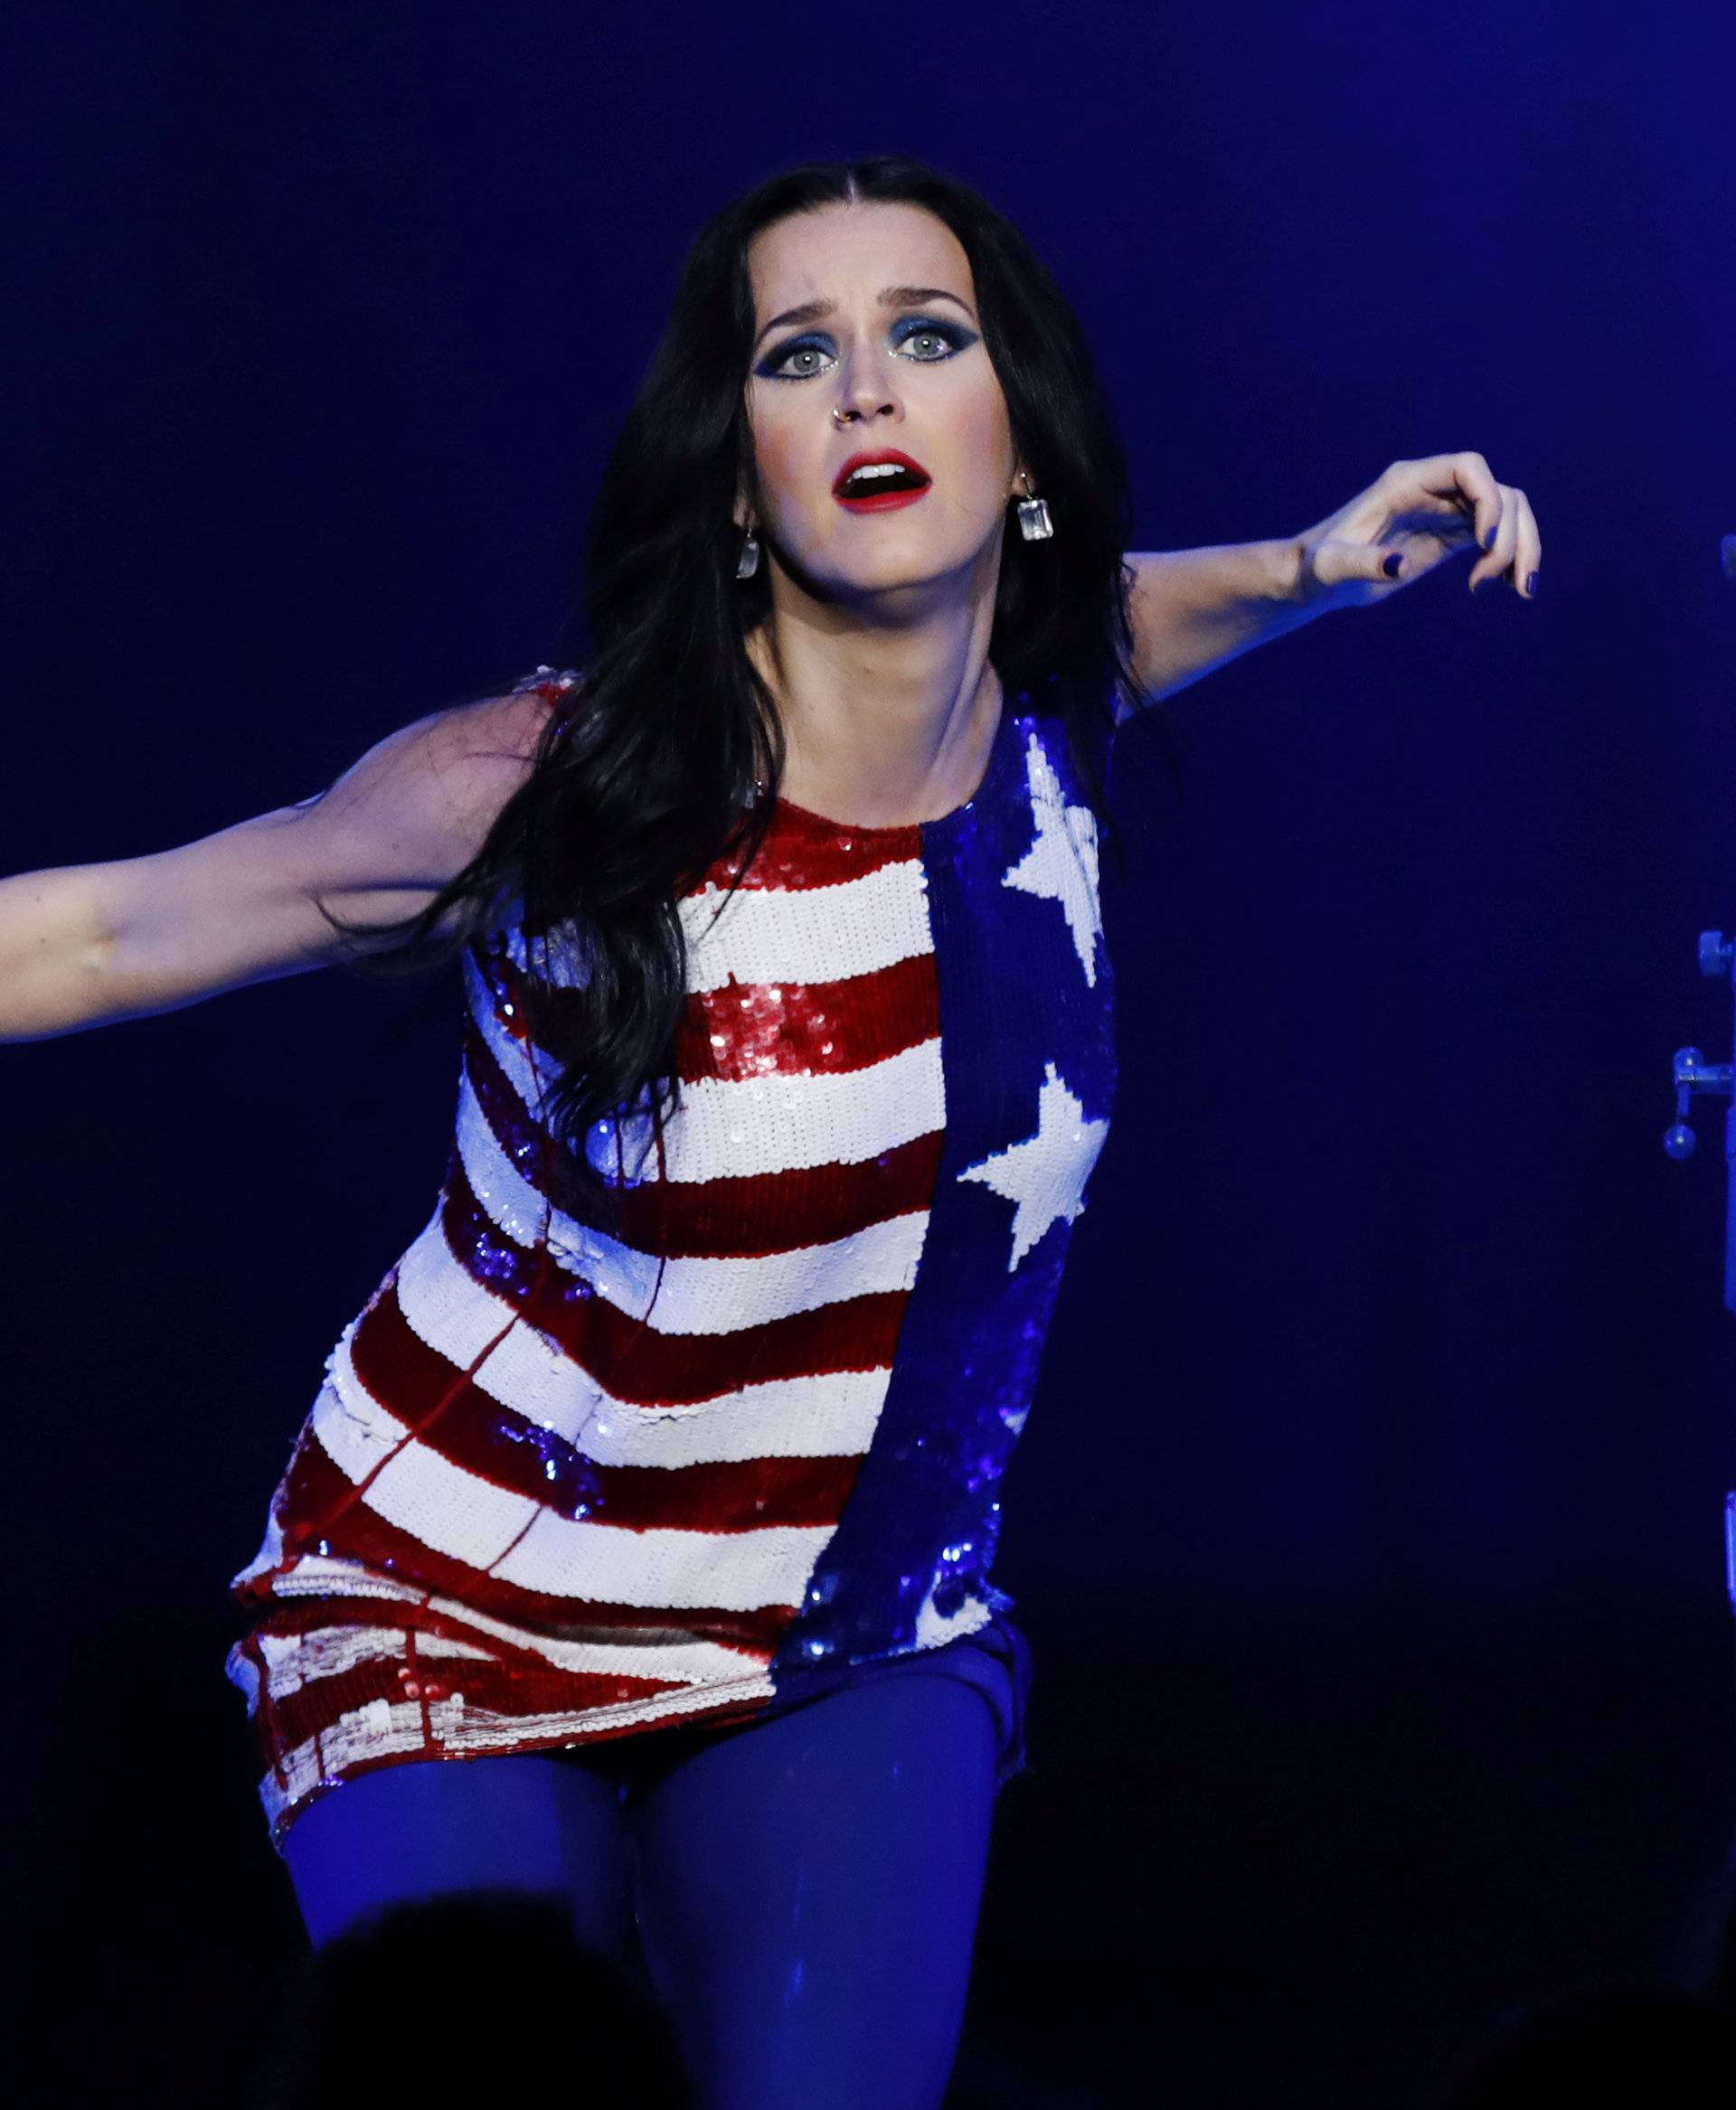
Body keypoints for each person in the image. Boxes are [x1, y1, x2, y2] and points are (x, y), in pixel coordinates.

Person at [0, 153, 1540, 2109]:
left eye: (927, 335)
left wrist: (1313, 569)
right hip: (459, 1609)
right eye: (801, 355)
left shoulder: (1047, 700)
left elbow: (1112, 614)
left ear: (1018, 437)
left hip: (854, 1637)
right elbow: (116, 928)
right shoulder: (550, 792)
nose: (871, 392)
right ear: (736, 476)